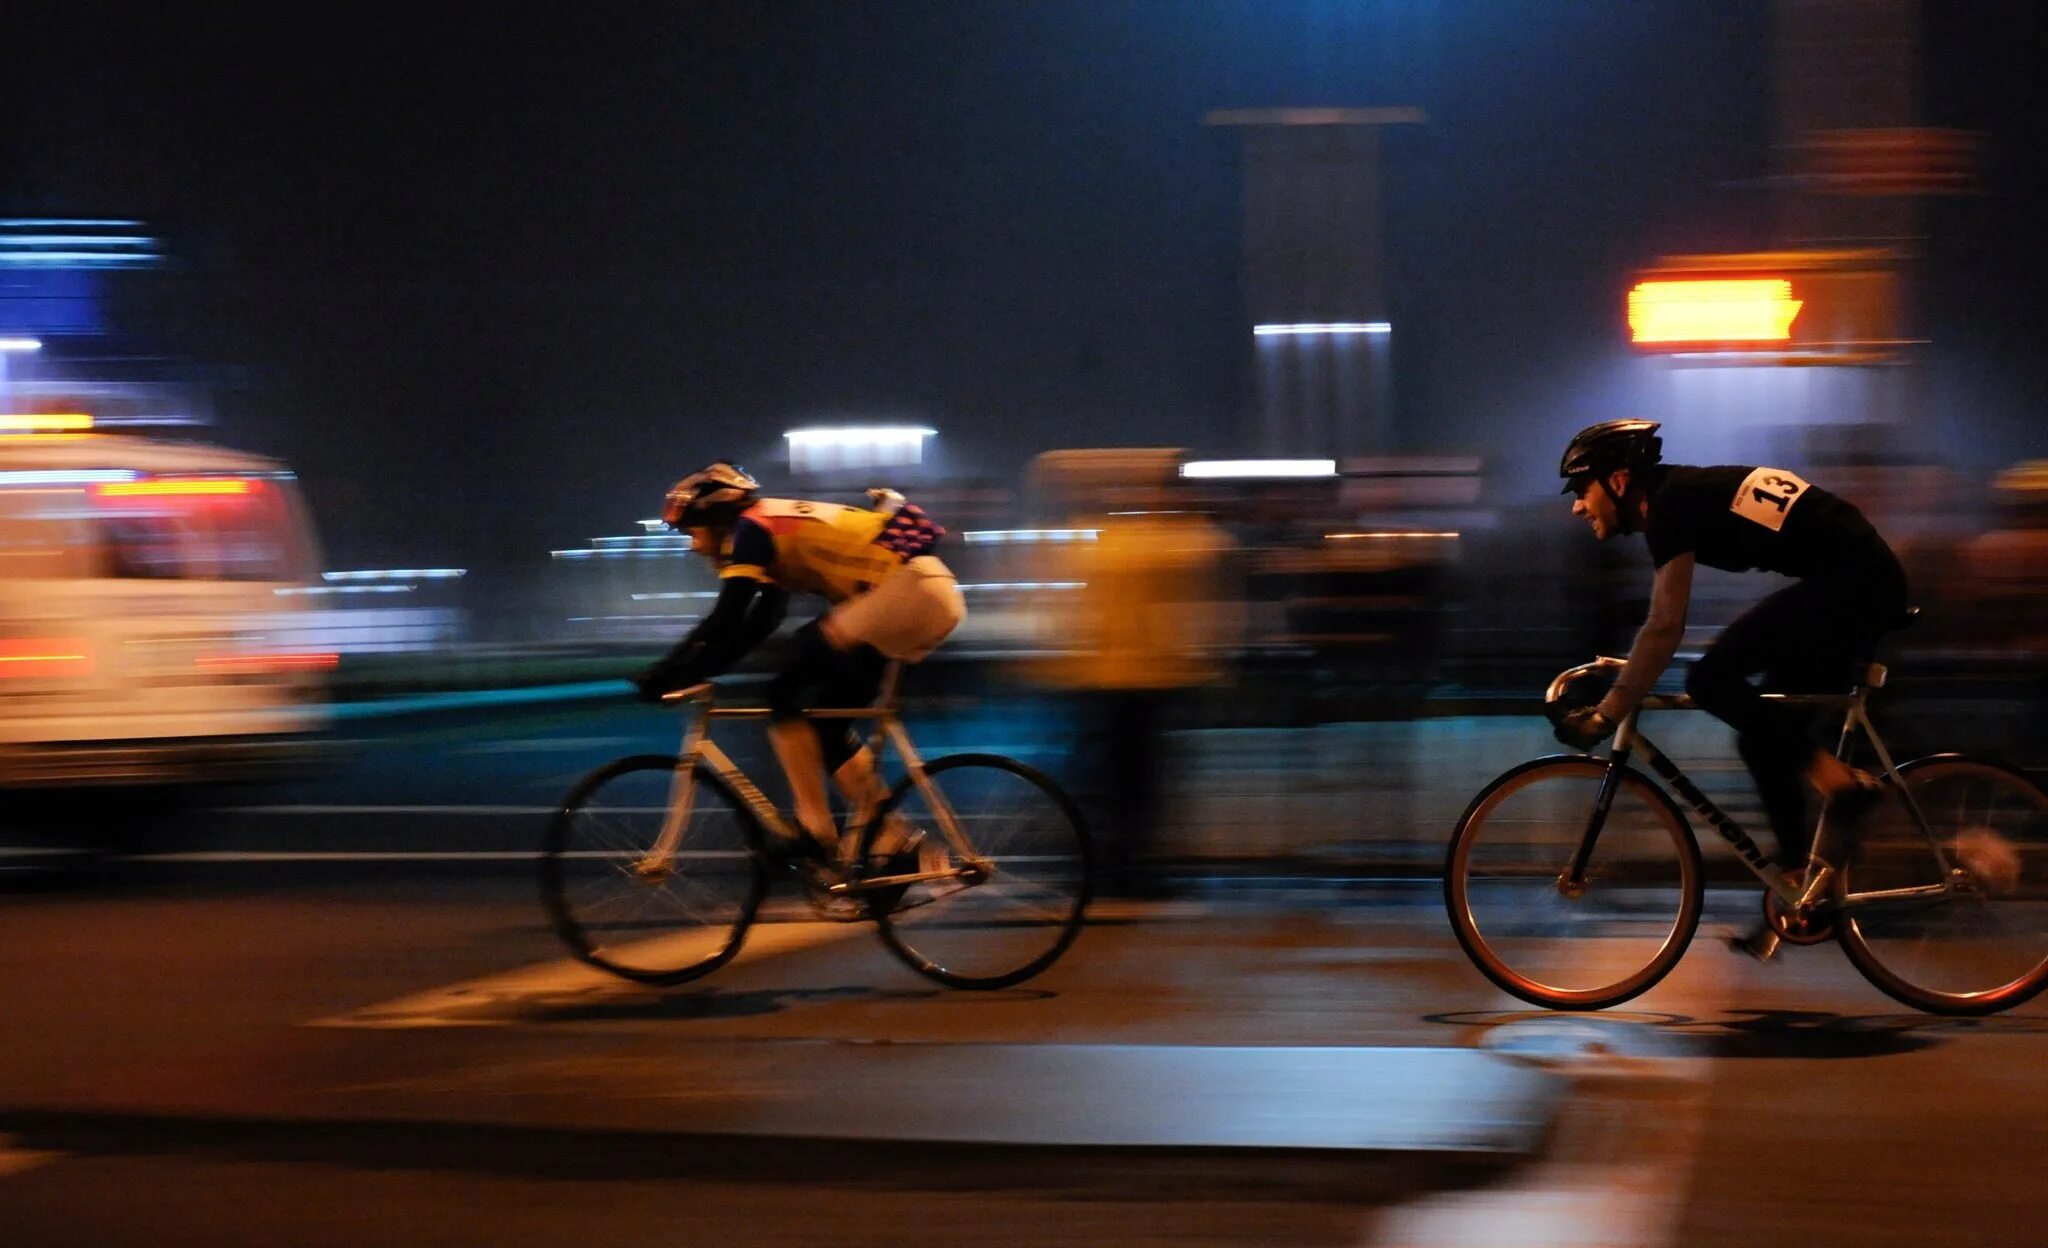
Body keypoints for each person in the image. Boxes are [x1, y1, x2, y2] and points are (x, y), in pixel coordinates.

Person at [1551, 420, 1910, 960]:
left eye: (1583, 490)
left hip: (1851, 584)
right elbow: (1662, 631)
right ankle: (1798, 890)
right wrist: (1634, 673)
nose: (1579, 507)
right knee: (1762, 738)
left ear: (1620, 481)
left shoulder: (1670, 506)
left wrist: (1608, 713)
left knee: (1711, 680)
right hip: (1854, 581)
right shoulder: (1680, 494)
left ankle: (1841, 783)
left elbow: (1665, 626)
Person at [632, 462, 966, 869]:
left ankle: (814, 830)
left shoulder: (752, 528)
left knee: (785, 687)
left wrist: (668, 671)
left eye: (692, 531)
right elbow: (759, 624)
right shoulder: (768, 526)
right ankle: (893, 838)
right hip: (925, 594)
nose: (692, 545)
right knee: (826, 722)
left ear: (715, 515)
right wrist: (695, 671)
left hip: (908, 591)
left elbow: (728, 615)